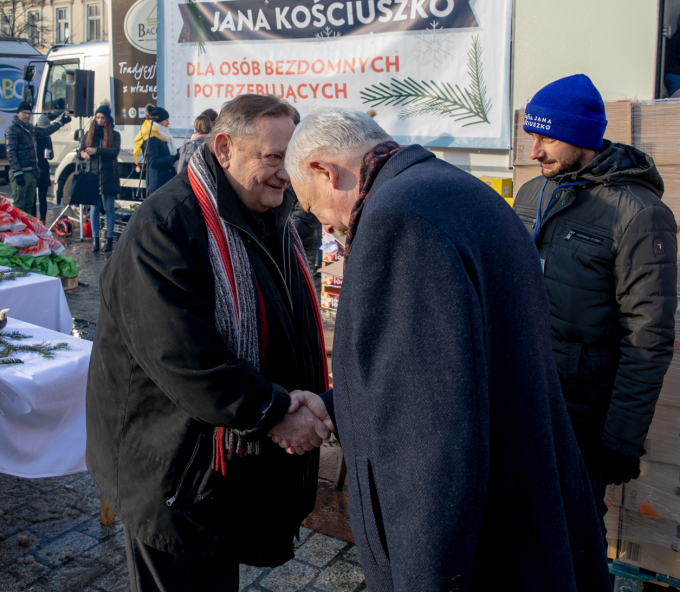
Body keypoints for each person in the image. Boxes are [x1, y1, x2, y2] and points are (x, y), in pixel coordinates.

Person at [283, 108, 611, 591]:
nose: (331, 230)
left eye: (319, 212)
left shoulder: (395, 219)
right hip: (523, 502)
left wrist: (426, 576)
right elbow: (440, 361)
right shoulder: (455, 189)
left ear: (324, 172)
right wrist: (336, 406)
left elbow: (429, 433)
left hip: (484, 542)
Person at [87, 94, 333, 592]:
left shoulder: (269, 215)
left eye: (291, 159)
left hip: (214, 470)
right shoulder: (167, 225)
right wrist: (277, 411)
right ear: (223, 148)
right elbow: (184, 357)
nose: (285, 174)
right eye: (271, 157)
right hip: (170, 472)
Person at [513, 75, 677, 536]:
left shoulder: (640, 215)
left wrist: (622, 440)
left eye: (546, 137)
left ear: (582, 136)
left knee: (575, 532)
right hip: (526, 391)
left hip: (582, 416)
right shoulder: (533, 193)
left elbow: (649, 336)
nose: (535, 151)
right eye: (532, 137)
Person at [6, 102, 69, 216]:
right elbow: (11, 153)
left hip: (32, 172)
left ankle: (29, 231)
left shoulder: (30, 128)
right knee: (19, 205)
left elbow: (45, 131)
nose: (27, 116)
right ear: (18, 114)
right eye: (24, 113)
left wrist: (60, 122)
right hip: (20, 173)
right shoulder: (12, 130)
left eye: (29, 113)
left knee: (30, 204)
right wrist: (17, 172)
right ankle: (17, 231)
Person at [78, 104, 121, 253]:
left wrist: (97, 150)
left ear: (108, 119)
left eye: (102, 118)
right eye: (97, 117)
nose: (100, 120)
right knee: (94, 209)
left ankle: (109, 239)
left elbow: (114, 152)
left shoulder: (115, 135)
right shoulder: (89, 134)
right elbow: (80, 151)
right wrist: (83, 154)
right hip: (93, 175)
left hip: (109, 175)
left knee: (109, 208)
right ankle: (96, 240)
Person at [139, 104, 177, 194]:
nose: (169, 123)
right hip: (158, 186)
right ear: (160, 121)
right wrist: (174, 157)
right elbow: (153, 162)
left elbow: (165, 153)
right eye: (166, 120)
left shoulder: (162, 135)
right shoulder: (151, 137)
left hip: (165, 183)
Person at [34, 114, 55, 223]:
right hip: (34, 167)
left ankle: (43, 220)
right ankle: (32, 219)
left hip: (44, 167)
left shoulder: (47, 137)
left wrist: (49, 154)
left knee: (43, 197)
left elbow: (52, 155)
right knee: (33, 197)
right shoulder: (34, 135)